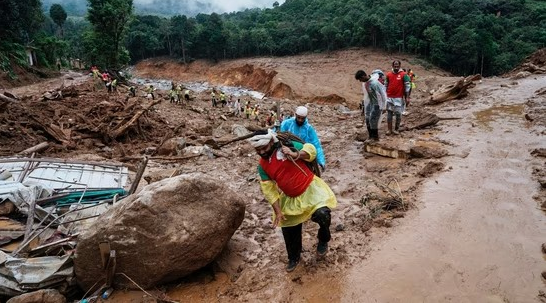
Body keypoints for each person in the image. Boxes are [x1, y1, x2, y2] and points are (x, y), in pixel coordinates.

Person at [247, 130, 337, 272]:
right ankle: (294, 257)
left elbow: (310, 150)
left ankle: (324, 238)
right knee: (288, 228)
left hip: (310, 190)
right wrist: (277, 211)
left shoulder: (287, 146)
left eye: (264, 148)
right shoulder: (262, 166)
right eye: (258, 150)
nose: (262, 152)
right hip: (290, 197)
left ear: (271, 142)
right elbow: (269, 190)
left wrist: (296, 154)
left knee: (323, 214)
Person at [280, 106, 326, 171]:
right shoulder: (286, 124)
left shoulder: (309, 128)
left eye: (302, 118)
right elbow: (281, 137)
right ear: (295, 115)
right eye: (298, 117)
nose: (300, 120)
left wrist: (321, 161)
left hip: (302, 154)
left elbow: (316, 145)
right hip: (287, 151)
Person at [355, 69, 387, 141]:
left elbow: (383, 94)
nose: (360, 81)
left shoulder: (375, 83)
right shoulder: (366, 83)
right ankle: (370, 136)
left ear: (363, 76)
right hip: (371, 103)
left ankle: (375, 137)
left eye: (360, 79)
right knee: (368, 119)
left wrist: (384, 106)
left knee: (373, 120)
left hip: (377, 104)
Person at [384, 60, 411, 135]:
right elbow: (385, 85)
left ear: (400, 66)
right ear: (392, 66)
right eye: (395, 65)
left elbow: (407, 87)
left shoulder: (404, 75)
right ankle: (389, 130)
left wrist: (407, 97)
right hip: (389, 97)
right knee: (389, 113)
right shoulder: (388, 74)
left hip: (398, 97)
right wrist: (384, 96)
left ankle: (396, 129)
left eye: (397, 65)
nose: (396, 67)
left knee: (398, 114)